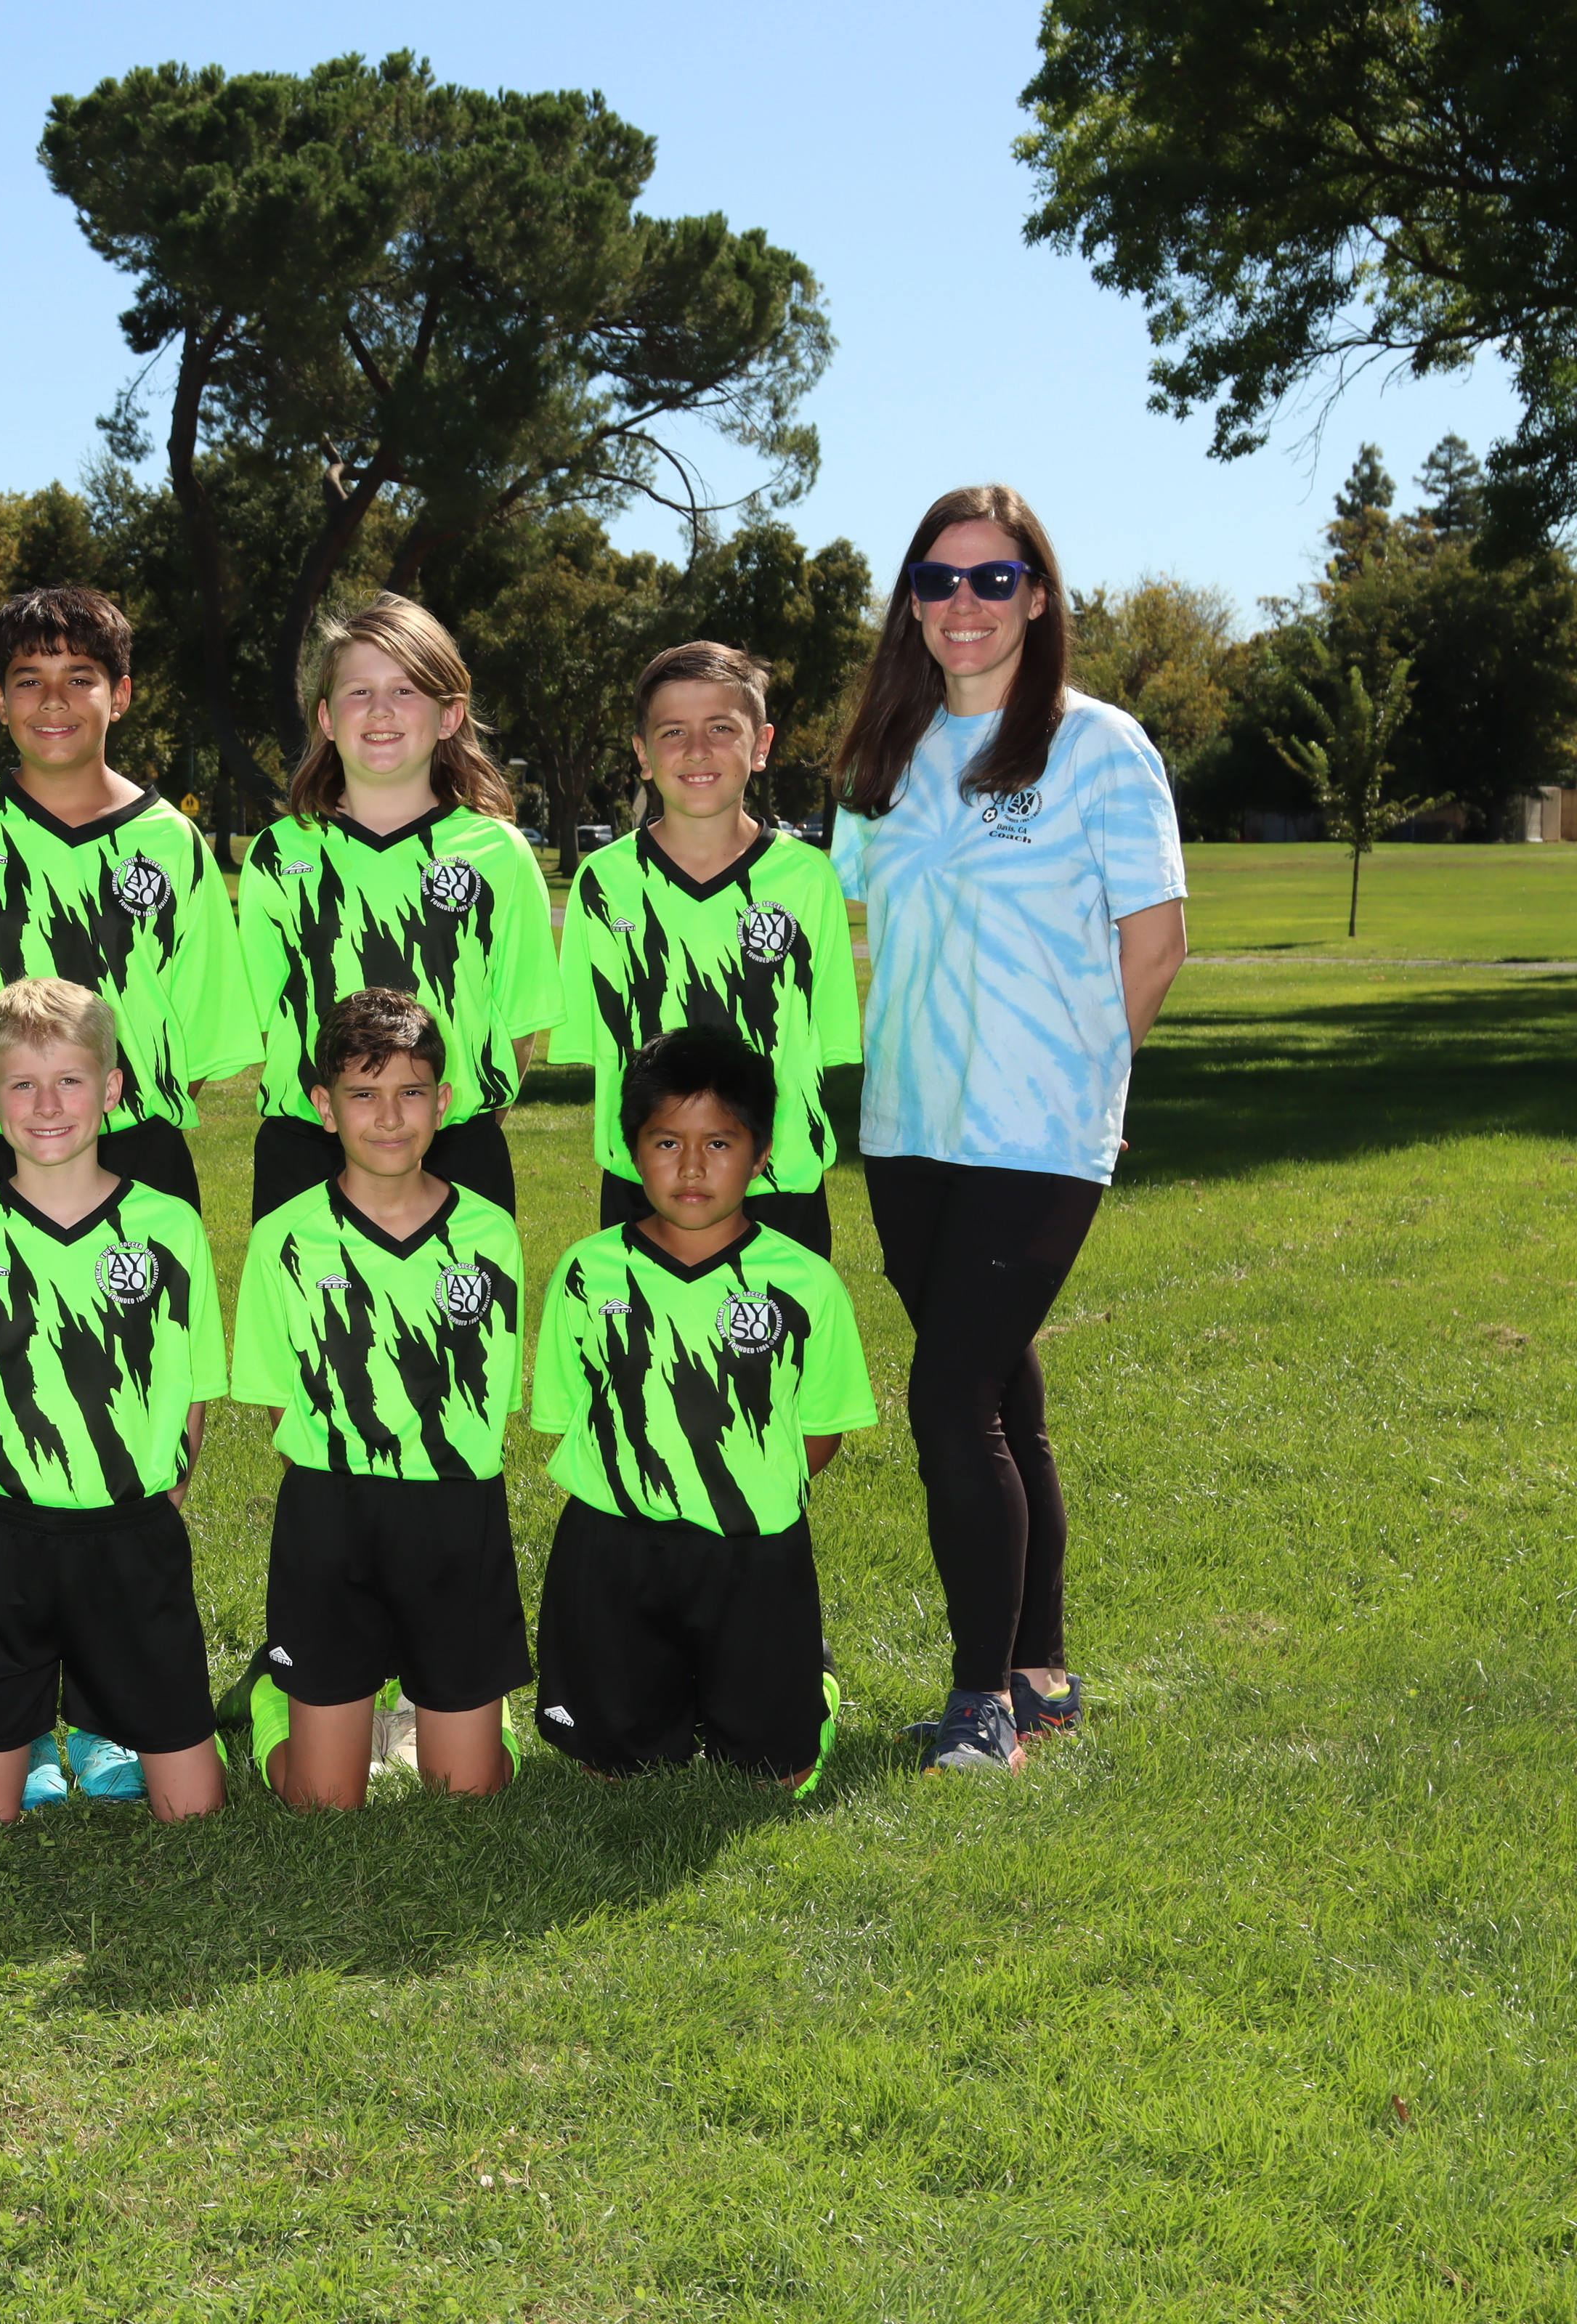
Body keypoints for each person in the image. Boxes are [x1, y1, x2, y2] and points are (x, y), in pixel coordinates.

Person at [827, 484, 1188, 1774]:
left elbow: (1157, 943)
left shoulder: (1098, 746)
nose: (964, 604)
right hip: (909, 1126)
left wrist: (1096, 1085)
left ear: (1038, 595)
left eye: (993, 578)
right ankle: (1040, 1674)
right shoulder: (885, 756)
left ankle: (979, 1704)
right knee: (1000, 1390)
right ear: (912, 604)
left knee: (947, 1398)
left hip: (1036, 1134)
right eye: (938, 580)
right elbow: (834, 911)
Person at [0, 980, 229, 1824]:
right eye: (23, 1084)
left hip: (132, 1533)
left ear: (110, 1089)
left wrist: (159, 1494)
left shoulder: (169, 1227)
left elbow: (188, 1387)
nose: (48, 1105)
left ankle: (135, 1722)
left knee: (193, 1808)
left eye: (70, 1080)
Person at [526, 1028, 877, 1792]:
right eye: (667, 1142)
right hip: (614, 1552)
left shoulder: (805, 1283)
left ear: (761, 1153)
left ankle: (805, 1680)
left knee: (776, 1776)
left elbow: (820, 1434)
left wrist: (737, 1487)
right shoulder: (587, 1273)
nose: (691, 1167)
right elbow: (569, 1415)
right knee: (609, 1771)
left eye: (719, 1143)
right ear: (631, 1151)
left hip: (753, 1555)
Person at [215, 990, 531, 1807]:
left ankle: (466, 1714)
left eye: (411, 1092)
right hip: (332, 1515)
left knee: (468, 1793)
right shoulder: (285, 1237)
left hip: (455, 1513)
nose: (389, 1117)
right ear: (324, 1107)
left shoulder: (489, 1233)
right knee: (323, 1802)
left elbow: (485, 1401)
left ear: (444, 1102)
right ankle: (272, 1703)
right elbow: (280, 1403)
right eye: (363, 1093)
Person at [0, 585, 258, 1229]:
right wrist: (21, 1114)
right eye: (29, 680)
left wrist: (112, 1116)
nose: (54, 699)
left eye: (80, 678)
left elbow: (198, 1019)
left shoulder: (172, 841)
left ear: (120, 695)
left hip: (135, 1148)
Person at [240, 595, 555, 1224]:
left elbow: (520, 1024)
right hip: (306, 1151)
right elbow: (263, 1017)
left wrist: (444, 1119)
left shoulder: (498, 853)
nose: (380, 710)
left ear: (449, 715)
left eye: (406, 690)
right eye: (359, 692)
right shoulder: (280, 853)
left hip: (456, 1149)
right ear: (327, 718)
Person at [549, 641, 862, 1256]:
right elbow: (599, 1048)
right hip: (646, 1185)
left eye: (721, 727)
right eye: (673, 731)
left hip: (779, 1184)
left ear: (761, 745)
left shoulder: (807, 880)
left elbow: (825, 1042)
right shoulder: (603, 883)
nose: (697, 749)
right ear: (643, 754)